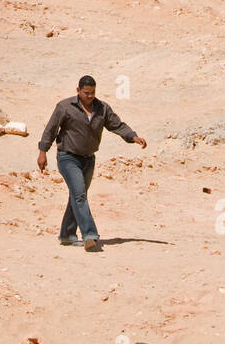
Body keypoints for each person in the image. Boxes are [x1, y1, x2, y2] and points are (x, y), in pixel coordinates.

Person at [37, 75, 146, 253]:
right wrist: (43, 152)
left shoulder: (102, 108)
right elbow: (50, 129)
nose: (90, 96)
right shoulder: (65, 107)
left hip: (88, 159)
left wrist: (133, 137)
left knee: (77, 195)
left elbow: (117, 125)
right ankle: (90, 235)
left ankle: (67, 235)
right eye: (86, 93)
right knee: (80, 195)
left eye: (93, 93)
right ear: (78, 91)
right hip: (67, 157)